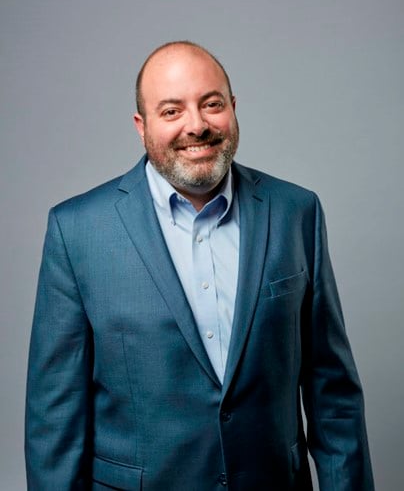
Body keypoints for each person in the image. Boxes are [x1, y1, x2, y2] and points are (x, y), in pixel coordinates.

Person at [25, 41, 374, 490]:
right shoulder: (77, 230)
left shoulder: (296, 212)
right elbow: (55, 417)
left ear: (233, 108)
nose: (197, 125)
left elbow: (334, 396)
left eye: (211, 104)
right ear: (142, 126)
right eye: (171, 111)